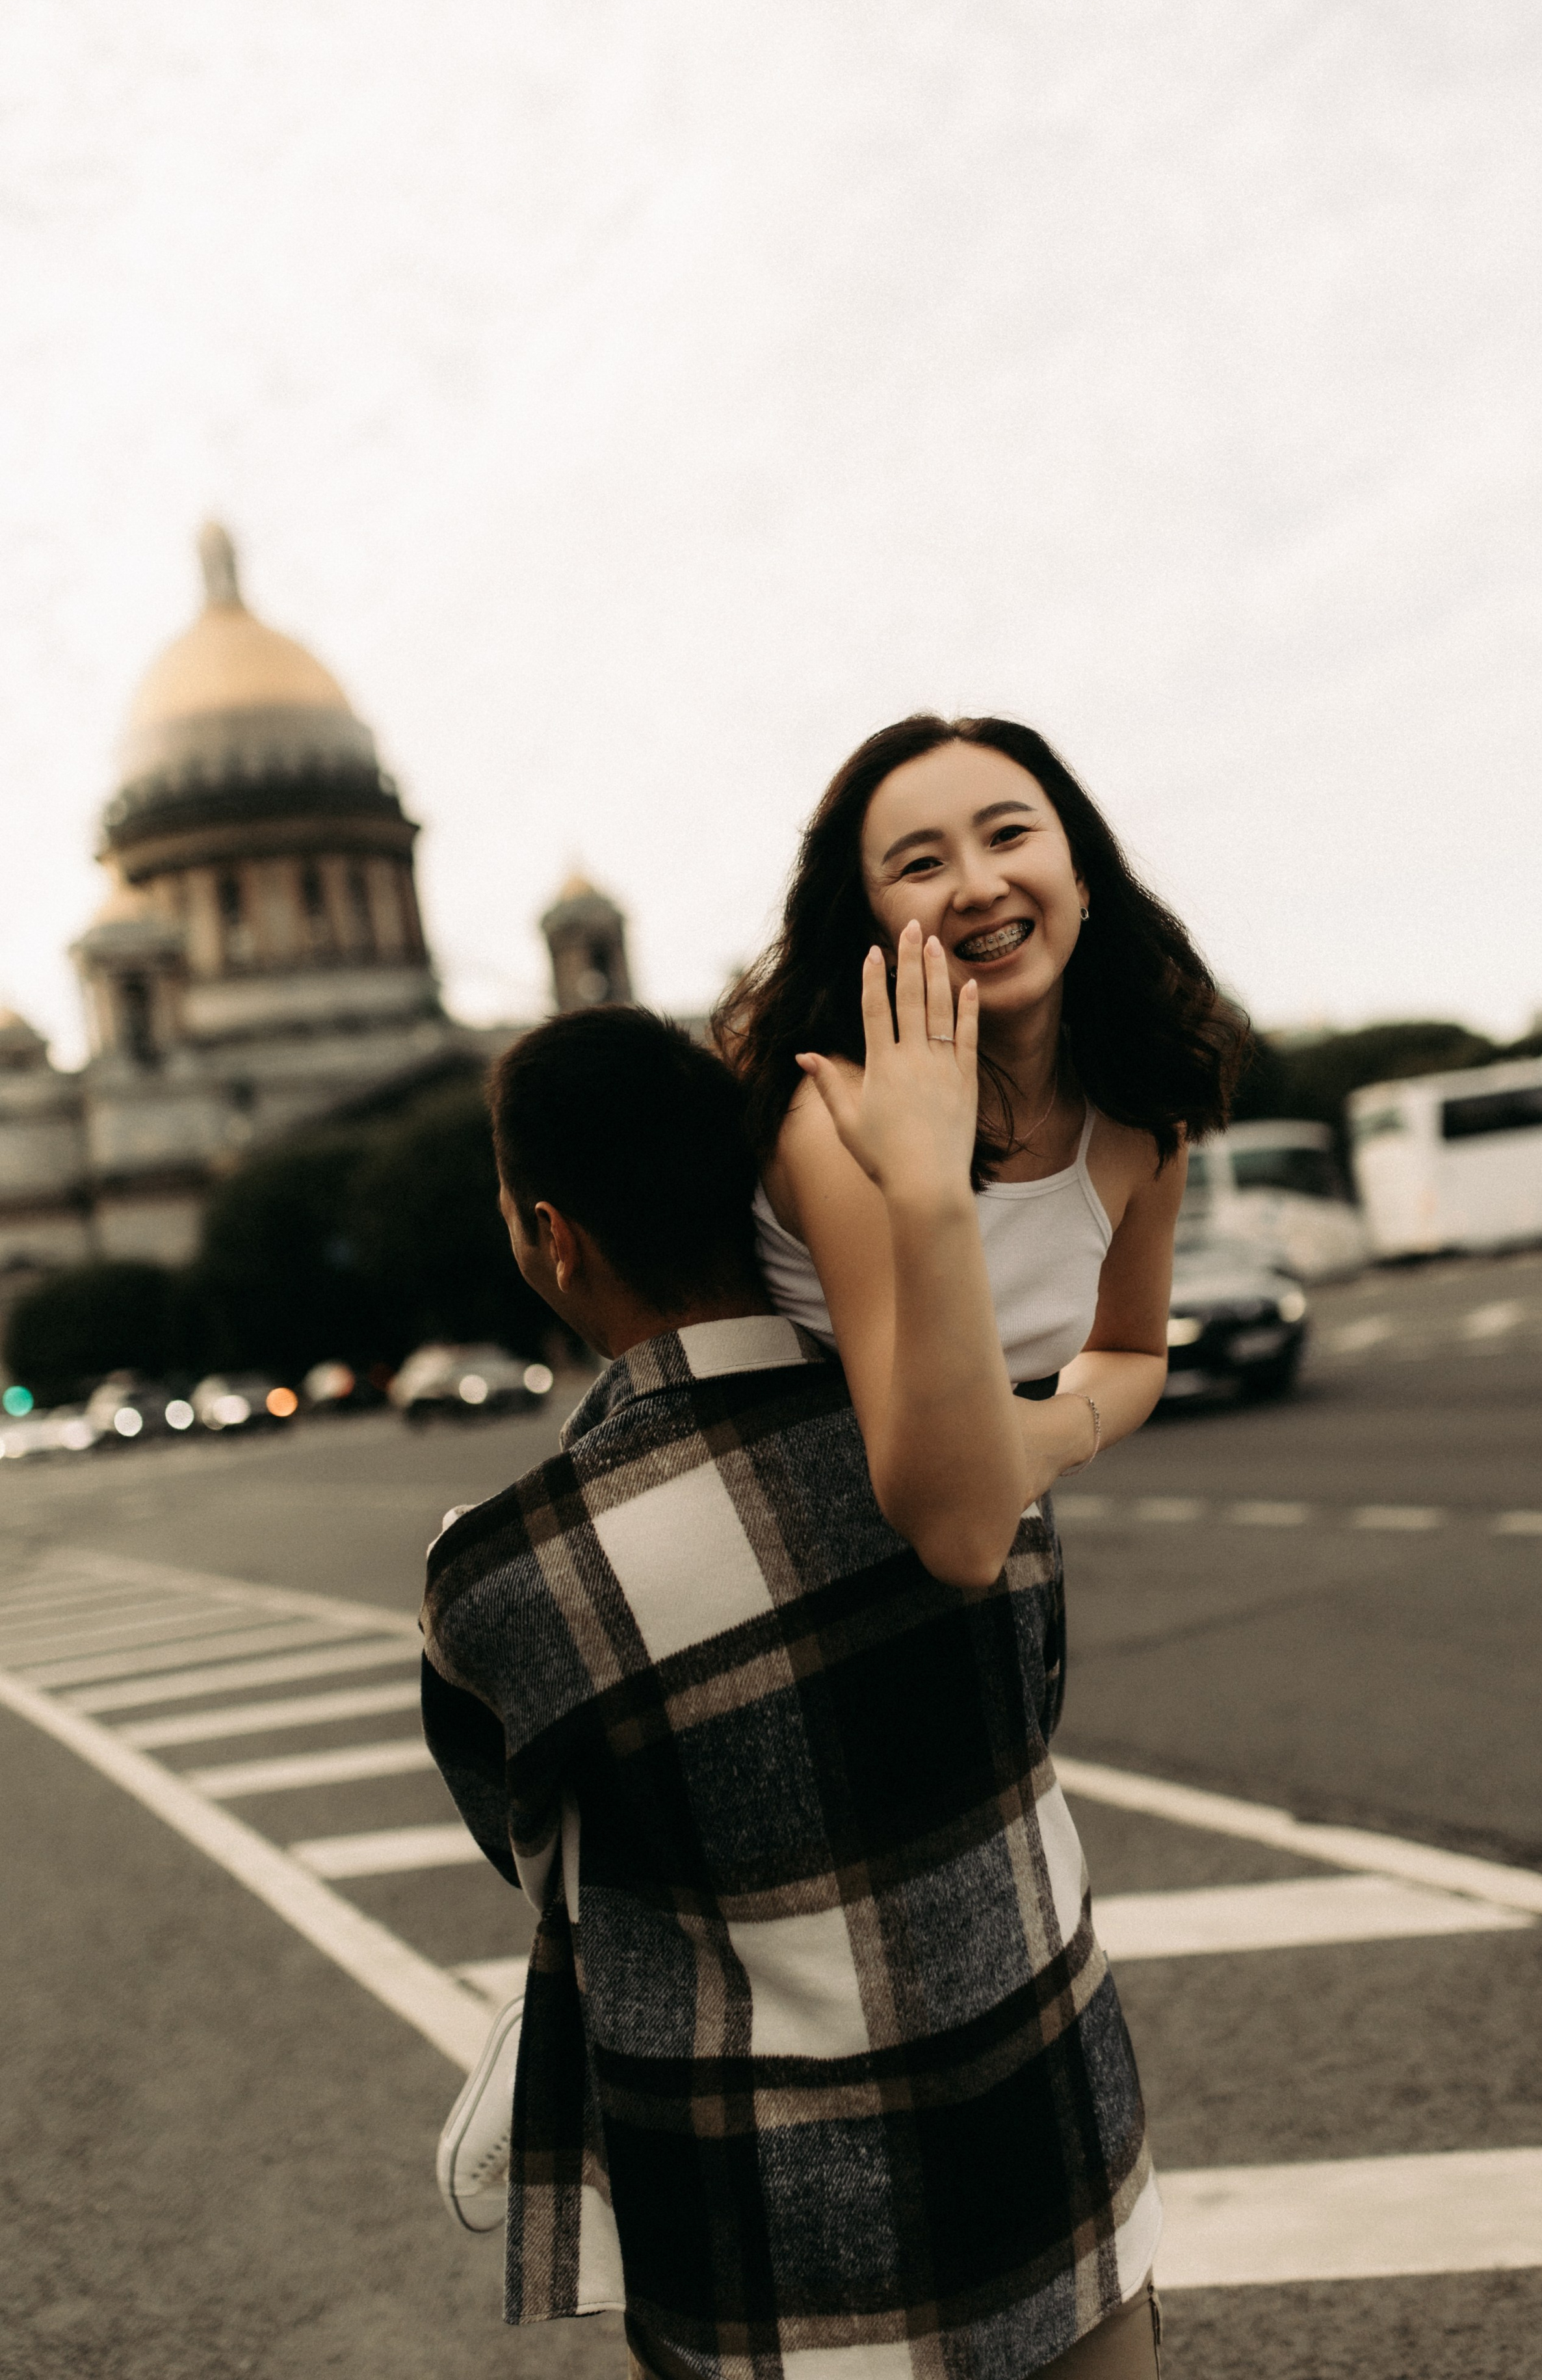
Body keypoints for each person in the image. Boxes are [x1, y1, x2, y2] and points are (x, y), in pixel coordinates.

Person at [421, 1000, 1164, 2380]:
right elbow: (1030, 1693)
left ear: (549, 1237)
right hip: (1059, 2177)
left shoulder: (509, 1576)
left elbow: (533, 1853)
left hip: (776, 2279)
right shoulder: (966, 1441)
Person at [716, 712, 1242, 1574]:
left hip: (1011, 1600)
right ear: (872, 926)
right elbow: (958, 1533)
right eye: (921, 864)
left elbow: (1133, 1351)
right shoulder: (835, 1121)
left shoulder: (1136, 1109)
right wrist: (925, 1190)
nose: (978, 884)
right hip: (801, 1601)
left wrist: (1055, 1433)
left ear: (1080, 876)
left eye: (1009, 834)